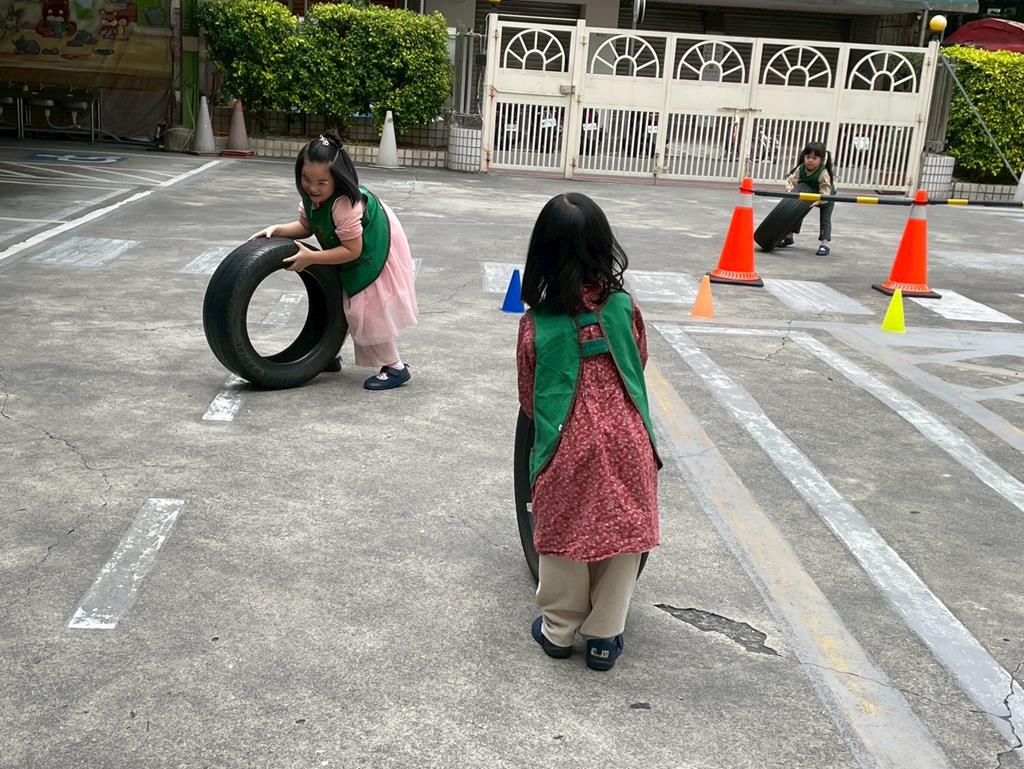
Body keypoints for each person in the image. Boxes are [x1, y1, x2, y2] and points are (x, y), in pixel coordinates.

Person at [516, 192, 661, 672]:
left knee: (562, 534)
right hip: (628, 440)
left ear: (542, 254)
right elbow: (638, 361)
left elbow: (529, 397)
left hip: (566, 444)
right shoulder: (623, 308)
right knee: (621, 536)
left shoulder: (536, 324)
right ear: (603, 248)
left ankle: (558, 631)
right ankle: (603, 638)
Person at [252, 130, 418, 390]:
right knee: (340, 300)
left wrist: (313, 258)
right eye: (306, 179)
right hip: (352, 246)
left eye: (322, 182)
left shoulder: (344, 204)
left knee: (365, 308)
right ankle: (329, 353)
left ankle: (395, 367)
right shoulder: (311, 197)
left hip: (372, 249)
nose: (312, 188)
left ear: (337, 179)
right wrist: (277, 229)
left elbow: (352, 251)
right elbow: (306, 226)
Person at [778, 141, 836, 256]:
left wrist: (819, 201)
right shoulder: (801, 169)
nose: (810, 160)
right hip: (808, 194)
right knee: (796, 212)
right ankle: (789, 237)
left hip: (825, 197)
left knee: (825, 219)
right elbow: (791, 181)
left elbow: (825, 190)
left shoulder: (823, 173)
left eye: (814, 158)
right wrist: (791, 192)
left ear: (821, 160)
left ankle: (824, 244)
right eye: (808, 157)